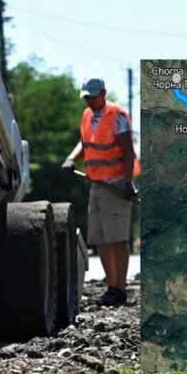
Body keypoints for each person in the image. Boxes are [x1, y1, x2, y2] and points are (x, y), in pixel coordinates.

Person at [62, 78, 136, 306]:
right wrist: (71, 159)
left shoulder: (117, 115)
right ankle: (111, 287)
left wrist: (127, 182)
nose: (89, 100)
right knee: (101, 239)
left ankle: (120, 289)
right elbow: (85, 144)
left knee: (117, 239)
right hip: (96, 185)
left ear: (104, 92)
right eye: (86, 97)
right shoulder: (87, 115)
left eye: (93, 96)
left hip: (115, 186)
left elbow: (128, 151)